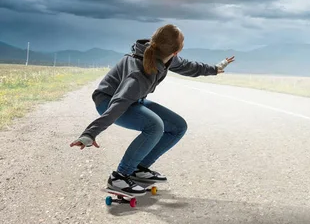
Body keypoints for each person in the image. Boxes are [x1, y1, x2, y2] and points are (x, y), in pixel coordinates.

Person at [69, 24, 235, 196]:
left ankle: (138, 169)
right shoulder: (138, 74)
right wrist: (90, 133)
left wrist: (215, 69)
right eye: (183, 41)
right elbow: (118, 104)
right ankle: (119, 177)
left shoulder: (165, 56)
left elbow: (189, 66)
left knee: (178, 126)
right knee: (155, 126)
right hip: (108, 101)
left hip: (132, 100)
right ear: (176, 50)